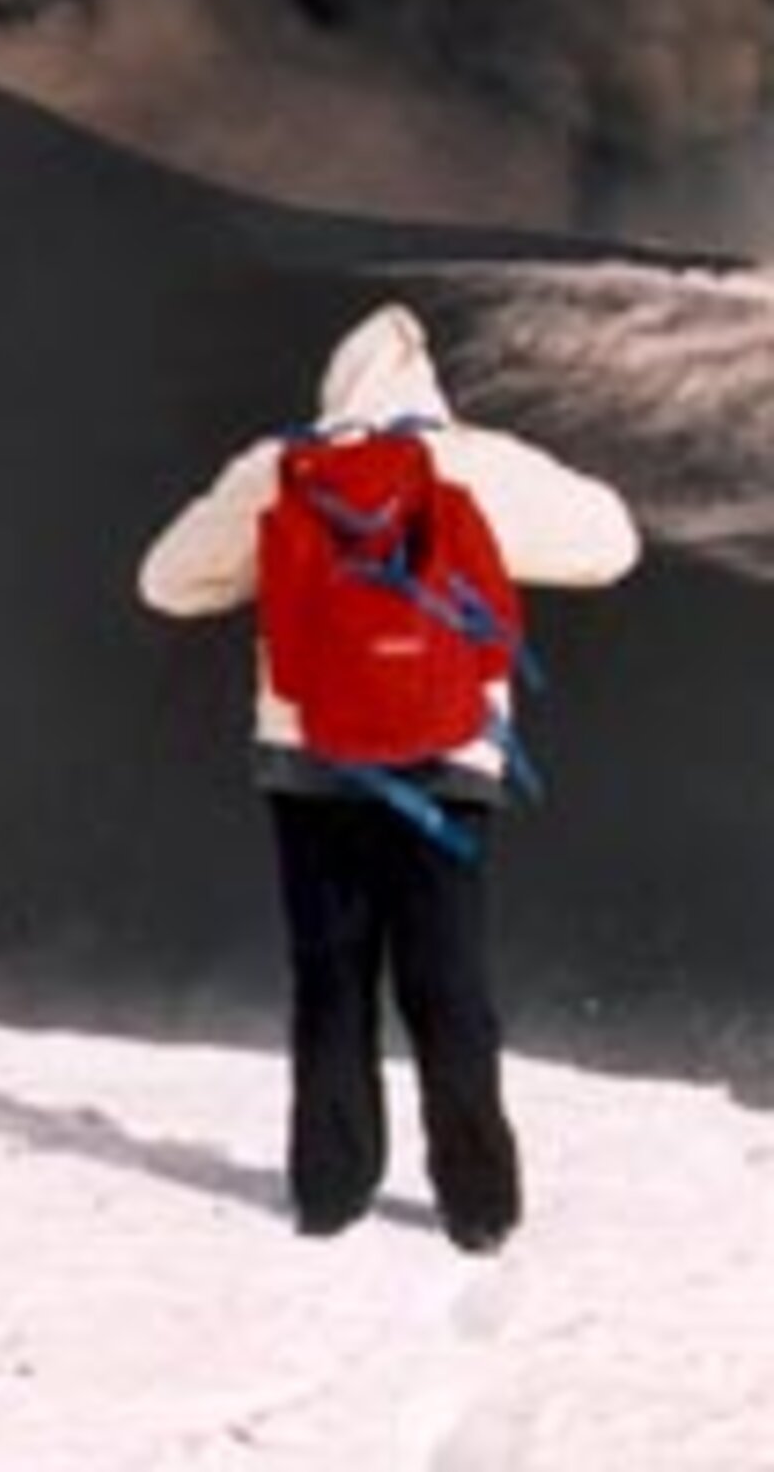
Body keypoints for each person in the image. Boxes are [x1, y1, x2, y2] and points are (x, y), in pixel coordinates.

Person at [137, 299, 638, 1252]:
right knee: (447, 977)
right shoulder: (475, 465)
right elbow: (612, 544)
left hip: (309, 760)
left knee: (330, 975)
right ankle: (479, 1205)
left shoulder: (277, 471)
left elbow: (164, 581)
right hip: (447, 761)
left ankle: (330, 1189)